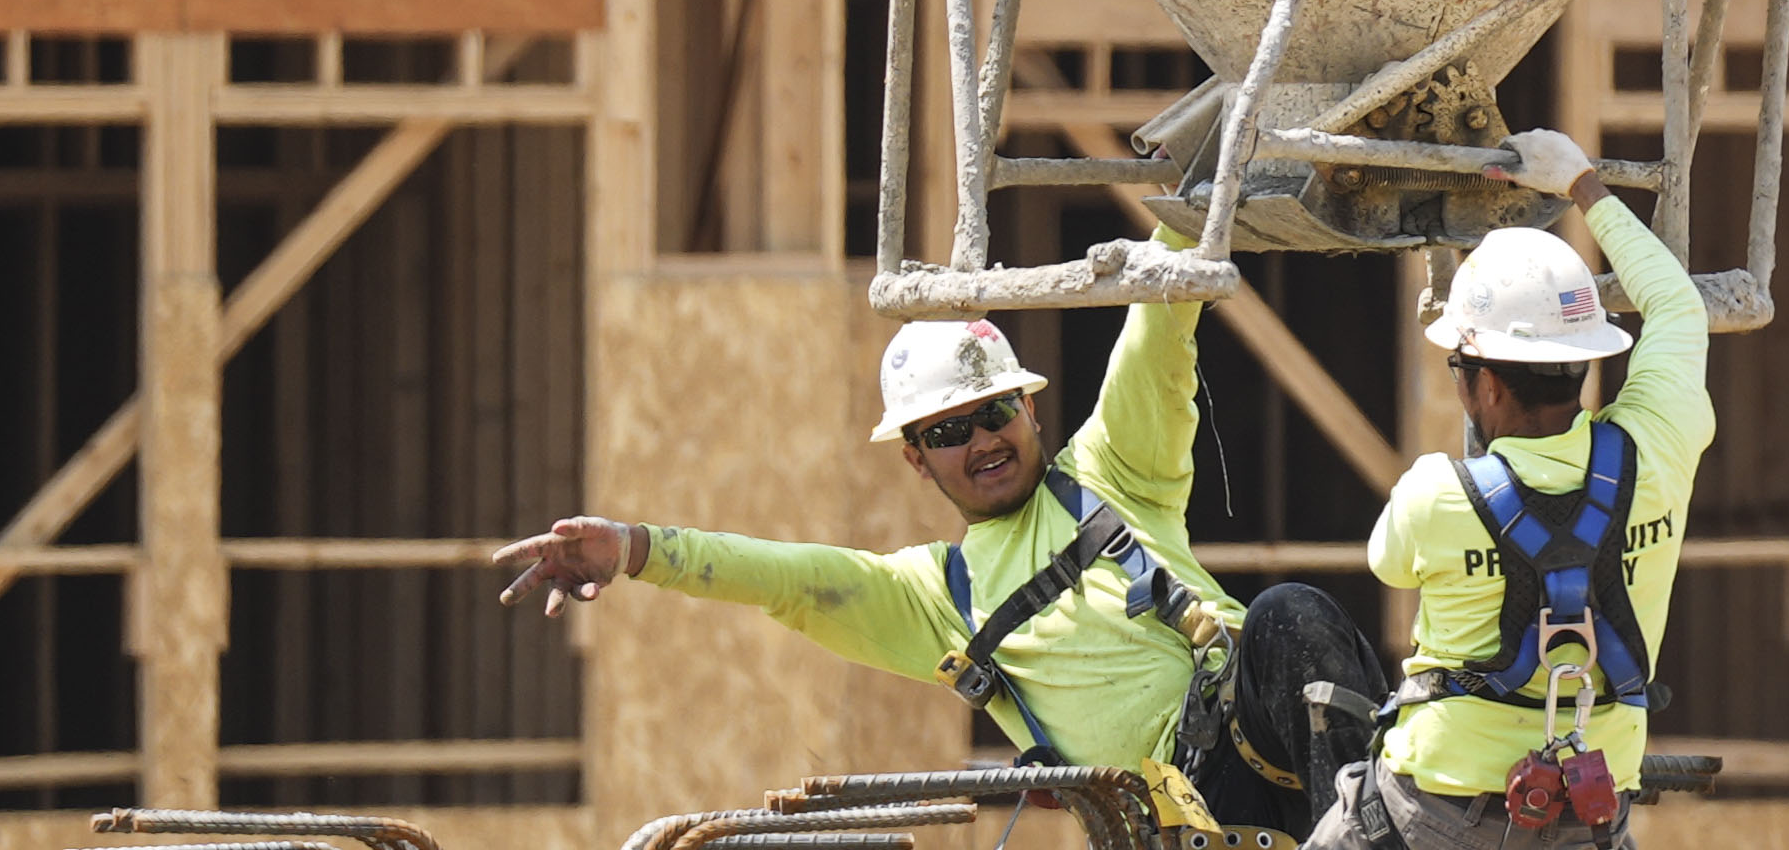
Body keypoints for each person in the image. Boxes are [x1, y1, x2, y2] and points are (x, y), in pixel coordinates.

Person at [490, 250, 1383, 837]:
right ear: (916, 460)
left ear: (1028, 409)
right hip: (1177, 814)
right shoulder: (937, 598)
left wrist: (1193, 192)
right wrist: (640, 548)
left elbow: (1157, 325)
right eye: (949, 432)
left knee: (1287, 616)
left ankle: (1372, 829)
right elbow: (793, 580)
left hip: (1258, 728)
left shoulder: (1114, 473)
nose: (983, 441)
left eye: (994, 413)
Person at [1314, 129, 1714, 850]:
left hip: (1439, 812)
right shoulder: (1659, 446)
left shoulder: (1435, 496)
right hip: (1590, 813)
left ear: (1485, 383)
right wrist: (1581, 185)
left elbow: (1389, 563)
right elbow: (1679, 308)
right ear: (1585, 360)